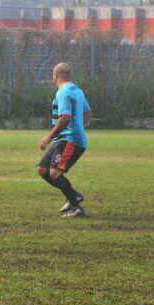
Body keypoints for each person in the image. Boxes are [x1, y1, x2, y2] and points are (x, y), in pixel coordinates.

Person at [37, 63, 91, 217]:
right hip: (64, 139)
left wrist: (48, 137)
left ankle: (76, 207)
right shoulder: (77, 90)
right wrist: (79, 126)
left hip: (70, 140)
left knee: (54, 173)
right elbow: (87, 112)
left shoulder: (63, 92)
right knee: (42, 169)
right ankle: (74, 195)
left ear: (56, 76)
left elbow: (65, 118)